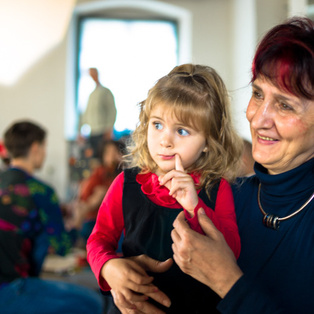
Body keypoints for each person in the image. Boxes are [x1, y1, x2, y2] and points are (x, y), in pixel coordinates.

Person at [111, 16, 314, 314]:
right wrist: (125, 282)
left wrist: (227, 281)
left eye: (285, 105)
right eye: (257, 94)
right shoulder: (225, 195)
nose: (258, 119)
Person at [87, 63, 244, 313]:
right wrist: (107, 267)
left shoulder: (218, 189)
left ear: (207, 142)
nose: (165, 140)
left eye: (182, 130)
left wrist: (194, 206)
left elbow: (231, 252)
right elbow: (99, 239)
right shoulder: (125, 184)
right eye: (157, 124)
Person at [0, 121, 104, 313]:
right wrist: (78, 219)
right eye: (44, 147)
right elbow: (63, 247)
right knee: (93, 302)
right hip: (11, 288)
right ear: (35, 148)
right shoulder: (41, 191)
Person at [77, 139, 126, 242]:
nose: (112, 156)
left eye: (115, 152)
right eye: (108, 152)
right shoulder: (99, 173)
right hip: (96, 221)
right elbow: (85, 199)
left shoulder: (124, 174)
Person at [80, 67, 117, 157]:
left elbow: (112, 110)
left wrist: (109, 128)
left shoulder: (105, 92)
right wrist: (80, 131)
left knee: (103, 156)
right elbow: (86, 114)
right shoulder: (91, 95)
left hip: (103, 132)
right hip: (92, 132)